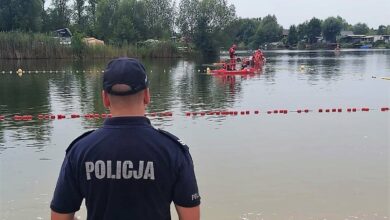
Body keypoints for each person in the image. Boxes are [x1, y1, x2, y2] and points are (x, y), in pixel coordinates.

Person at [50, 57, 201, 220]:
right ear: (147, 96)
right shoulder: (173, 150)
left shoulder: (80, 151)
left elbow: (59, 216)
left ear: (105, 98)